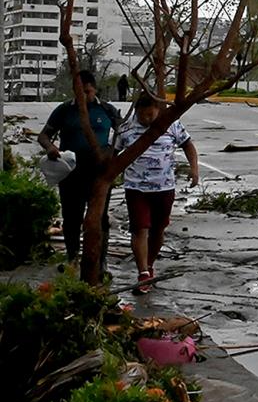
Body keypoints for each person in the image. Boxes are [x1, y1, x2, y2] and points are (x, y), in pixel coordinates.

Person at [38, 70, 123, 272]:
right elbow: (44, 136)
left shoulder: (107, 110)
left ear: (94, 89)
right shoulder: (64, 110)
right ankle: (72, 257)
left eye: (87, 91)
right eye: (79, 92)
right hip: (71, 171)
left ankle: (100, 261)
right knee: (71, 217)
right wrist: (50, 148)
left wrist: (113, 155)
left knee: (100, 218)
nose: (83, 96)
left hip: (99, 172)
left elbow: (123, 134)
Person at [115, 93, 199, 294]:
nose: (147, 119)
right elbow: (113, 154)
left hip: (164, 187)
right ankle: (142, 272)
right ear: (137, 112)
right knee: (140, 229)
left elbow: (188, 144)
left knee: (158, 230)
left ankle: (150, 264)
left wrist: (194, 169)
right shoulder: (125, 129)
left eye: (151, 115)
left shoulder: (171, 123)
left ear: (158, 110)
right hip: (136, 188)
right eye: (143, 116)